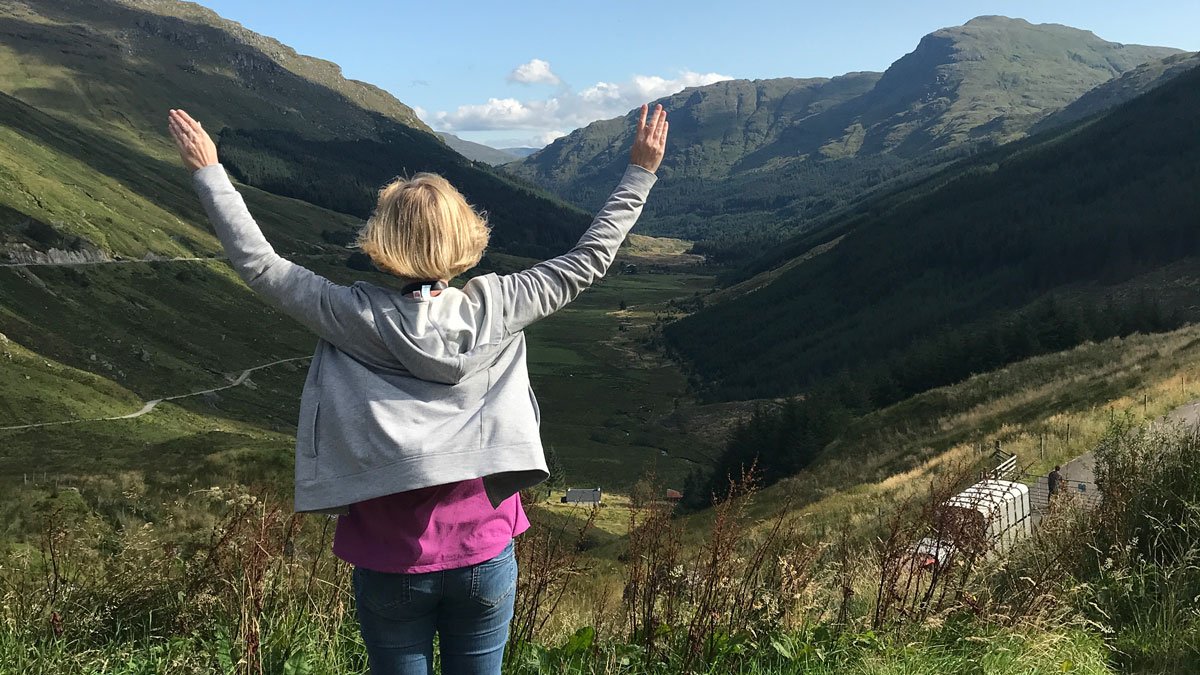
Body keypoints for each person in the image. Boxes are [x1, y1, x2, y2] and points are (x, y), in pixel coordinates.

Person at [167, 104, 668, 674]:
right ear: (467, 238)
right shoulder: (501, 305)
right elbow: (588, 260)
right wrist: (640, 172)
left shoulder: (350, 315)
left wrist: (209, 170)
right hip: (484, 552)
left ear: (382, 242)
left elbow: (259, 264)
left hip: (389, 560)